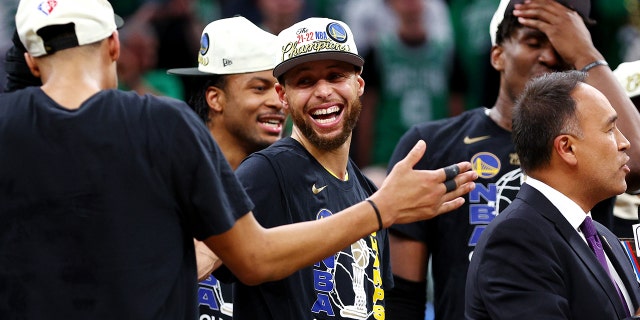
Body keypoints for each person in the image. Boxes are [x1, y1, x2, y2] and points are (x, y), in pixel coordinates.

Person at [0, 1, 477, 318]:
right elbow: (250, 258)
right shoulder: (170, 128)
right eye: (296, 82)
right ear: (114, 46)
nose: (277, 100)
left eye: (336, 74)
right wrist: (381, 210)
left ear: (34, 61)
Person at [385, 0, 640, 319]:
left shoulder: (594, 150)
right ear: (497, 54)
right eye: (533, 42)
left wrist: (586, 55)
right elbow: (402, 299)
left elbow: (636, 160)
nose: (549, 56)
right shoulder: (433, 145)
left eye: (562, 44)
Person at [228, 17, 475, 320]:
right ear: (283, 97)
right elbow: (243, 261)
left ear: (358, 85)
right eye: (305, 81)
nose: (323, 91)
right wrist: (380, 210)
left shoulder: (367, 191)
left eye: (335, 76)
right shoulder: (264, 173)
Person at [465, 70, 640, 319]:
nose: (625, 143)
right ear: (567, 148)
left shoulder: (603, 237)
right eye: (610, 129)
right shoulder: (516, 239)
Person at [167, 16, 285, 319]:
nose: (279, 102)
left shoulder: (284, 180)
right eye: (260, 88)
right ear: (215, 99)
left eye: (280, 89)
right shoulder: (167, 180)